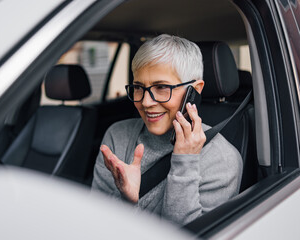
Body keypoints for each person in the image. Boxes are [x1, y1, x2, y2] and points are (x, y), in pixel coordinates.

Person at [91, 34, 243, 226]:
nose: (146, 102)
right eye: (138, 87)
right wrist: (127, 201)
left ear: (194, 90)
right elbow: (95, 222)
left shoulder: (222, 160)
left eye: (162, 87)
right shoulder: (117, 136)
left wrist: (185, 161)